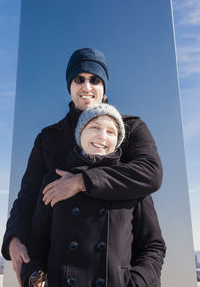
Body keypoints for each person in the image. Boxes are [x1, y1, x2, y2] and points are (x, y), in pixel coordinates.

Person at [1, 48, 163, 286]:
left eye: (95, 79)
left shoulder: (131, 129)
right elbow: (27, 198)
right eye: (79, 79)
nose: (87, 86)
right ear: (70, 84)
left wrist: (81, 182)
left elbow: (150, 173)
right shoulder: (48, 139)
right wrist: (14, 239)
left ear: (104, 86)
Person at [20, 103, 166, 287]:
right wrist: (34, 279)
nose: (102, 136)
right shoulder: (55, 179)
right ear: (80, 134)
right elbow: (35, 244)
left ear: (117, 141)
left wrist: (137, 283)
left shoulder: (131, 184)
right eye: (95, 127)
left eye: (111, 132)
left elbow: (153, 246)